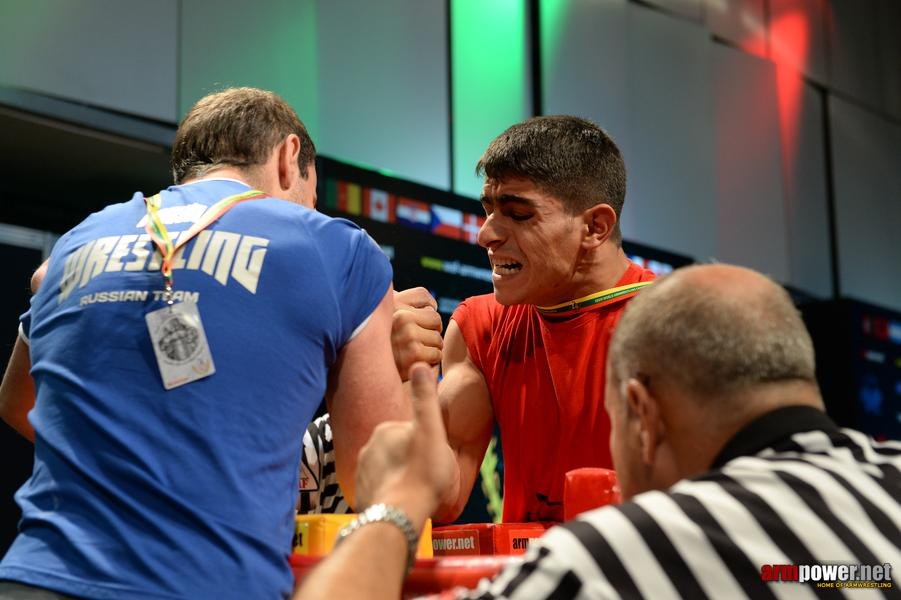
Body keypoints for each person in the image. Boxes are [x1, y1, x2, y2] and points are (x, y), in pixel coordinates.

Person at [0, 87, 408, 599]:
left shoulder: (79, 239)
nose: (311, 209)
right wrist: (405, 365)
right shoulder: (337, 247)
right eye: (312, 193)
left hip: (35, 579)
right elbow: (372, 474)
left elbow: (20, 401)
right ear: (289, 157)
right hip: (210, 582)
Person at [299, 263, 901, 599]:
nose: (486, 233)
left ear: (642, 414)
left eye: (514, 211)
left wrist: (394, 509)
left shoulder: (614, 558)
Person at [392, 116, 655, 523]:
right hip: (530, 582)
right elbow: (442, 499)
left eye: (518, 214)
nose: (486, 235)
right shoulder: (479, 326)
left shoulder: (671, 329)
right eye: (488, 210)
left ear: (595, 227)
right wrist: (410, 379)